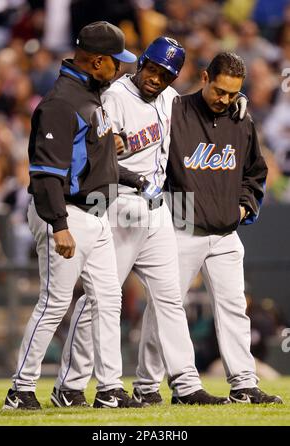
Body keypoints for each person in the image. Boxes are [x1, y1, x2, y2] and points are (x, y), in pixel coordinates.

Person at [52, 37, 236, 408]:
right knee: (101, 299)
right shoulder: (115, 97)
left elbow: (204, 105)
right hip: (116, 206)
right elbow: (94, 159)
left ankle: (185, 383)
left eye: (165, 73)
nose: (155, 77)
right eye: (151, 68)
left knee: (170, 298)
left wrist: (236, 107)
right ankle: (69, 385)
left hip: (158, 210)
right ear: (141, 64)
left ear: (174, 77)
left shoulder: (170, 100)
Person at [3, 21, 141, 410]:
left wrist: (123, 166)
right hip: (63, 213)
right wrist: (59, 225)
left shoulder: (88, 94)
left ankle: (109, 388)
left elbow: (90, 161)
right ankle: (21, 390)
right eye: (116, 62)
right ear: (97, 61)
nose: (121, 68)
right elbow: (45, 174)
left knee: (108, 299)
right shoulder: (62, 102)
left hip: (92, 214)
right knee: (54, 302)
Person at [137, 52, 283, 404]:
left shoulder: (241, 120)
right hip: (181, 227)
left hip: (225, 232)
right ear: (205, 78)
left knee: (234, 307)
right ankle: (146, 386)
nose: (225, 99)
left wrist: (245, 204)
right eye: (220, 90)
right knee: (164, 308)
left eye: (233, 94)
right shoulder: (175, 111)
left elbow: (255, 171)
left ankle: (244, 382)